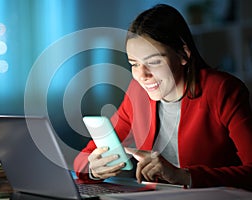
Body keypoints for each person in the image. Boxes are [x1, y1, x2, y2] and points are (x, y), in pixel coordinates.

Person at [74, 3, 252, 190]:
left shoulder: (222, 90)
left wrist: (183, 176)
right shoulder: (137, 93)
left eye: (154, 62)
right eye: (134, 64)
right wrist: (93, 169)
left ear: (183, 54)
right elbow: (83, 159)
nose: (142, 75)